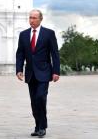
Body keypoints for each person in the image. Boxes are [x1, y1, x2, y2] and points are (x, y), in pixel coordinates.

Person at [16, 9, 60, 137]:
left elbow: (54, 54)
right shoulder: (23, 35)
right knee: (34, 101)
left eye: (34, 18)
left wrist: (56, 71)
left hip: (44, 72)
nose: (31, 20)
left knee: (41, 97)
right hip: (30, 73)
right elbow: (20, 54)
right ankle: (37, 126)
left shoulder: (49, 34)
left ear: (40, 19)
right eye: (30, 18)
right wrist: (19, 69)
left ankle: (42, 126)